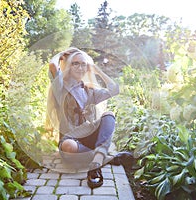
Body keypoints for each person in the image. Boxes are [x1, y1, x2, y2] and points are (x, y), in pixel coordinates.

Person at [46, 47, 133, 189]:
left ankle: (96, 162)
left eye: (83, 64)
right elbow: (52, 65)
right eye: (75, 63)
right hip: (71, 139)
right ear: (68, 65)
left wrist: (96, 69)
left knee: (108, 115)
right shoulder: (61, 88)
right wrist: (63, 54)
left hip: (89, 137)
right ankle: (105, 157)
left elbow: (114, 89)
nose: (80, 67)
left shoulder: (89, 90)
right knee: (68, 146)